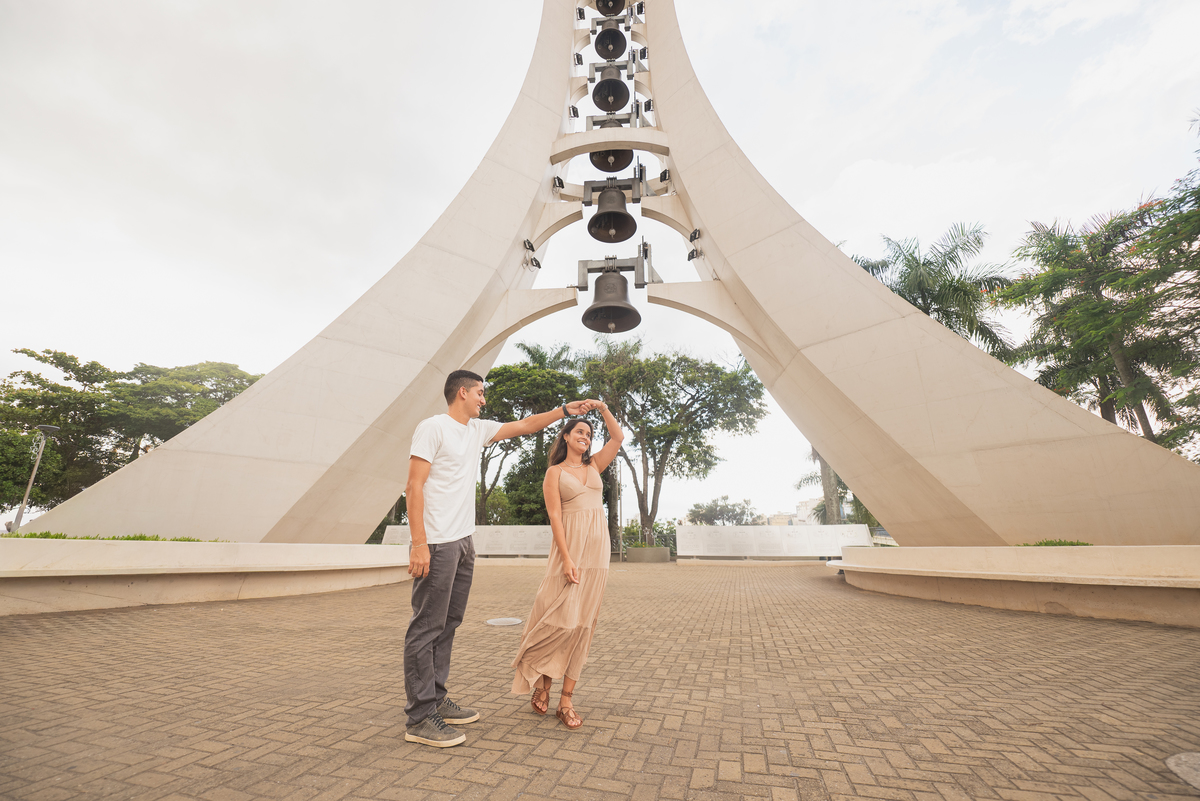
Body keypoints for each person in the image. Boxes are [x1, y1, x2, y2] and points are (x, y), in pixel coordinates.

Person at [403, 368, 597, 748]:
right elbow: (413, 485)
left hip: (463, 541)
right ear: (462, 392)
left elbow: (524, 426)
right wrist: (418, 542)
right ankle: (419, 717)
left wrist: (564, 411)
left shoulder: (476, 430)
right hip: (438, 542)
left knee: (448, 624)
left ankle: (437, 698)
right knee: (426, 627)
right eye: (480, 393)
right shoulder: (433, 428)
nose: (484, 399)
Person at [511, 400, 624, 729]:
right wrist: (566, 559)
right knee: (559, 618)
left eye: (589, 433)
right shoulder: (555, 473)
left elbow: (617, 438)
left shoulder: (595, 467)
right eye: (580, 431)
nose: (586, 437)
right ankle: (542, 681)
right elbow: (555, 517)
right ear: (565, 437)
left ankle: (566, 701)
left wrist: (602, 409)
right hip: (569, 551)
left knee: (584, 625)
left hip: (598, 555)